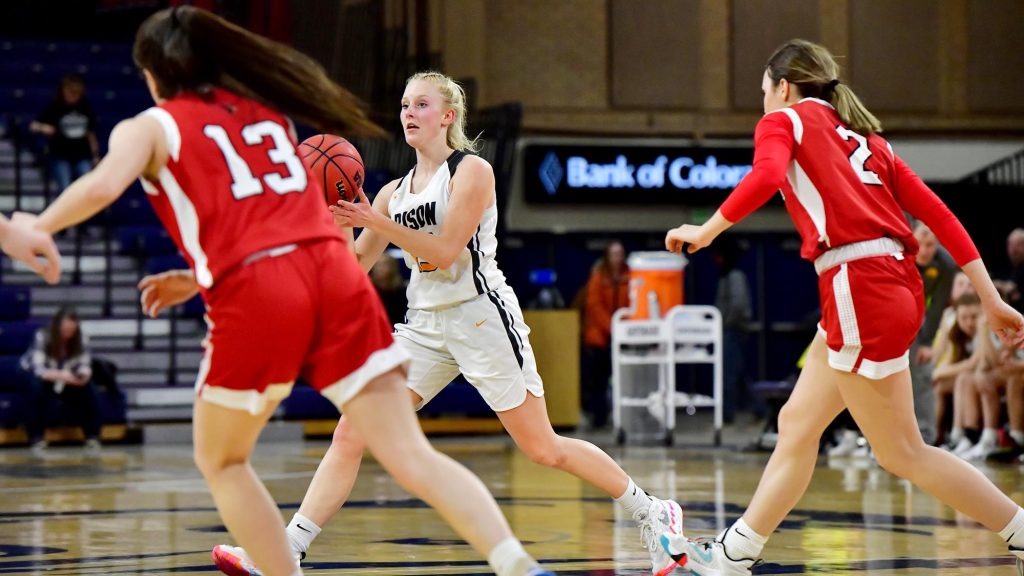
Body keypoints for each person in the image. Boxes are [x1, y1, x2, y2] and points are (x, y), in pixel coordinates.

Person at [2, 8, 552, 576]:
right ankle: (517, 564)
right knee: (406, 451)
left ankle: (280, 566)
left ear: (152, 72)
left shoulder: (150, 125)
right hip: (333, 276)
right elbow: (281, 227)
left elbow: (101, 186)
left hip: (262, 291)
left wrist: (36, 226)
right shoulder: (265, 118)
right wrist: (200, 276)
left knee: (223, 460)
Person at [215, 71, 684, 576]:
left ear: (448, 116)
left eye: (421, 104)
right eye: (404, 105)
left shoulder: (471, 171)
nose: (409, 113)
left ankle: (651, 510)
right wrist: (332, 221)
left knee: (542, 448)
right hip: (424, 325)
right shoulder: (391, 193)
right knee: (352, 431)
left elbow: (445, 251)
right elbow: (352, 270)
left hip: (480, 316)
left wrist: (375, 222)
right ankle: (286, 550)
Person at [657, 39, 1024, 575]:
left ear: (784, 87)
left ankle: (1019, 528)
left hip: (859, 285)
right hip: (891, 282)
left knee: (902, 453)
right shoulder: (869, 140)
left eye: (763, 90)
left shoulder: (783, 120)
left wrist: (706, 230)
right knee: (797, 423)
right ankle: (735, 554)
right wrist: (989, 297)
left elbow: (765, 177)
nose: (764, 101)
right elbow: (940, 215)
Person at [20, 305, 101, 456]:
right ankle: (36, 438)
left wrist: (81, 377)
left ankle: (92, 436)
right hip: (44, 378)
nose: (68, 334)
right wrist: (63, 375)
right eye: (65, 330)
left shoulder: (81, 338)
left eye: (71, 330)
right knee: (35, 388)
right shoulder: (43, 336)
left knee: (90, 389)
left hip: (68, 380)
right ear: (57, 326)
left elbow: (85, 367)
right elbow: (39, 369)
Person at [909, 222, 957, 445]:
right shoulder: (898, 253)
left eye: (931, 245)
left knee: (922, 374)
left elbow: (937, 305)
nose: (926, 250)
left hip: (919, 321)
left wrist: (927, 343)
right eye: (921, 243)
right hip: (888, 318)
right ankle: (877, 441)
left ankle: (925, 439)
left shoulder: (945, 264)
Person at [582, 240, 629, 428]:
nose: (617, 258)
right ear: (607, 256)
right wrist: (612, 327)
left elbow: (632, 302)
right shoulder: (598, 276)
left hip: (623, 334)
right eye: (614, 254)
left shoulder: (630, 275)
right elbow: (594, 306)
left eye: (620, 254)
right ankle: (598, 416)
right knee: (598, 380)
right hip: (600, 336)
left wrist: (623, 327)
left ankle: (624, 415)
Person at [29, 74, 100, 194]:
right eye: (70, 92)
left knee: (87, 185)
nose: (73, 96)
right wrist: (43, 128)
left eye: (76, 93)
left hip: (82, 155)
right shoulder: (55, 107)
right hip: (61, 155)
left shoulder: (85, 107)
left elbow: (91, 133)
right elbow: (33, 125)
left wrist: (95, 155)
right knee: (65, 188)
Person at [930, 293, 983, 452]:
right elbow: (951, 361)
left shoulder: (984, 331)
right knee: (940, 386)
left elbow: (973, 364)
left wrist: (937, 373)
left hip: (988, 375)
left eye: (974, 317)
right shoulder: (957, 334)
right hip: (973, 376)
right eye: (964, 318)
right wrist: (937, 374)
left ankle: (960, 434)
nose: (969, 322)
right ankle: (934, 436)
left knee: (962, 379)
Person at [711, 236, 751, 423]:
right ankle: (761, 408)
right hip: (729, 330)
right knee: (738, 373)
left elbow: (738, 305)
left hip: (733, 330)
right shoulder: (726, 276)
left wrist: (725, 323)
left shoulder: (734, 276)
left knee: (729, 373)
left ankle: (727, 413)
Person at [368, 252, 407, 326]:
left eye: (384, 265)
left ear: (392, 267)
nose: (380, 269)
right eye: (377, 265)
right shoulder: (369, 288)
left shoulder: (401, 290)